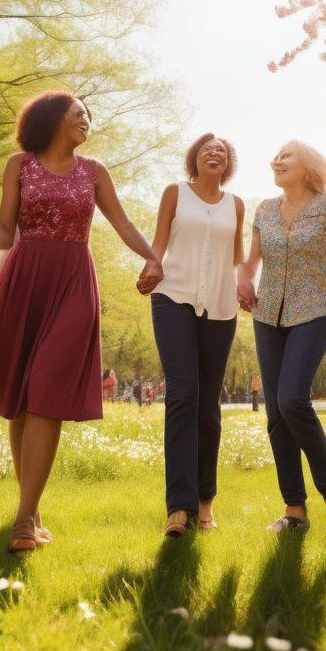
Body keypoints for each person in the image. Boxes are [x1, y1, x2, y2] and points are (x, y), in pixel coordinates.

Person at [0, 91, 162, 553]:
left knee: (47, 390)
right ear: (52, 117)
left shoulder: (94, 171)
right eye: (78, 114)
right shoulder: (20, 164)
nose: (86, 121)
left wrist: (153, 258)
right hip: (24, 278)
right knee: (21, 397)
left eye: (88, 116)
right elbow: (4, 228)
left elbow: (122, 223)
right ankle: (29, 511)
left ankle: (23, 521)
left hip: (74, 281)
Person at [238, 140, 326, 535]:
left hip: (314, 310)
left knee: (291, 400)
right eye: (275, 155)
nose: (276, 160)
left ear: (308, 165)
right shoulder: (265, 209)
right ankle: (294, 510)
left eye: (287, 156)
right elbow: (251, 261)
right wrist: (243, 278)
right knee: (276, 413)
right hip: (268, 314)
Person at [139, 134, 244, 536]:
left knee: (207, 406)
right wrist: (151, 267)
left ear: (227, 162)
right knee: (182, 395)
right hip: (173, 297)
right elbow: (158, 245)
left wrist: (247, 283)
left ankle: (205, 503)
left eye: (221, 150)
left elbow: (237, 257)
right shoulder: (175, 193)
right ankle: (178, 509)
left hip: (220, 305)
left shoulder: (236, 204)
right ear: (194, 159)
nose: (214, 153)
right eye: (206, 149)